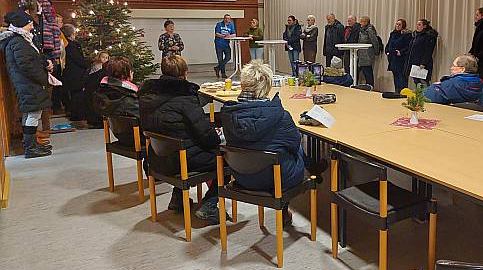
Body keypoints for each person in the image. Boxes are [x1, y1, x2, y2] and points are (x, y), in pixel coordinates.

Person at [220, 61, 325, 226]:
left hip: (242, 176)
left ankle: (310, 169)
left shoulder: (228, 114)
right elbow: (294, 144)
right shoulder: (281, 116)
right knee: (292, 147)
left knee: (277, 147)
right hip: (275, 179)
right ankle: (310, 171)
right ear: (267, 86)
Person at [138, 55, 224, 222]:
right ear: (185, 73)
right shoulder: (186, 99)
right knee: (227, 159)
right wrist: (218, 135)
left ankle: (178, 199)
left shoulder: (147, 96)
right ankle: (210, 204)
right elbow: (207, 137)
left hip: (157, 159)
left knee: (180, 145)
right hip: (182, 161)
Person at [0, 10, 53, 158]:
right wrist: (43, 77)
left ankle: (32, 143)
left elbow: (33, 58)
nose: (31, 26)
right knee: (33, 113)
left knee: (32, 113)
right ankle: (30, 148)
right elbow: (26, 65)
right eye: (29, 23)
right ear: (21, 24)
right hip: (27, 83)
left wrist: (45, 63)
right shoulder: (18, 42)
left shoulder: (21, 40)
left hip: (27, 83)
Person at [93, 56, 139, 145]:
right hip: (137, 138)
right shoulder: (127, 97)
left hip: (120, 135)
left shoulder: (104, 92)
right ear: (126, 73)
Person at [60, 24, 89, 122]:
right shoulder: (71, 45)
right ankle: (77, 115)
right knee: (77, 94)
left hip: (71, 72)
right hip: (75, 73)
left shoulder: (66, 44)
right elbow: (78, 60)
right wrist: (89, 63)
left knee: (74, 94)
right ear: (72, 33)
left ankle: (76, 113)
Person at [404, 19, 438, 86]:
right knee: (417, 82)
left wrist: (423, 63)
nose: (417, 26)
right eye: (417, 24)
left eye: (419, 25)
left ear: (424, 26)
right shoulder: (415, 36)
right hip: (414, 62)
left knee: (423, 81)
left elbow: (428, 51)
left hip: (422, 64)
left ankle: (425, 96)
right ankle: (419, 96)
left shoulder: (428, 36)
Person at [385, 19, 412, 92]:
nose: (397, 26)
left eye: (399, 24)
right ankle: (397, 92)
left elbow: (408, 46)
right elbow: (389, 44)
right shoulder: (393, 33)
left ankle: (403, 92)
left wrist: (401, 52)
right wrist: (387, 51)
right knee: (395, 76)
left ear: (403, 26)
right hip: (393, 58)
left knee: (402, 77)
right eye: (396, 24)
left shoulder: (406, 35)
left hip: (401, 59)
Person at [84, 52, 109, 129]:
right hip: (93, 88)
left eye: (107, 58)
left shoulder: (104, 70)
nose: (105, 59)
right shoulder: (96, 67)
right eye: (103, 57)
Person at [357, 16, 380, 87]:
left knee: (368, 72)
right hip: (362, 54)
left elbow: (374, 41)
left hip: (367, 54)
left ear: (366, 22)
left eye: (361, 21)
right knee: (362, 71)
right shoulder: (362, 29)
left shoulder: (370, 30)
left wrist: (376, 51)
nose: (360, 23)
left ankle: (370, 87)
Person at [214, 13, 236, 78]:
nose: (227, 20)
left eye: (228, 18)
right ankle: (223, 73)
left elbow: (234, 34)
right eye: (226, 18)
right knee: (220, 59)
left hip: (226, 44)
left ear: (230, 19)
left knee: (228, 57)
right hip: (219, 44)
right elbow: (217, 34)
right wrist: (223, 36)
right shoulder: (219, 24)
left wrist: (230, 36)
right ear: (224, 19)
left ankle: (217, 68)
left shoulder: (231, 25)